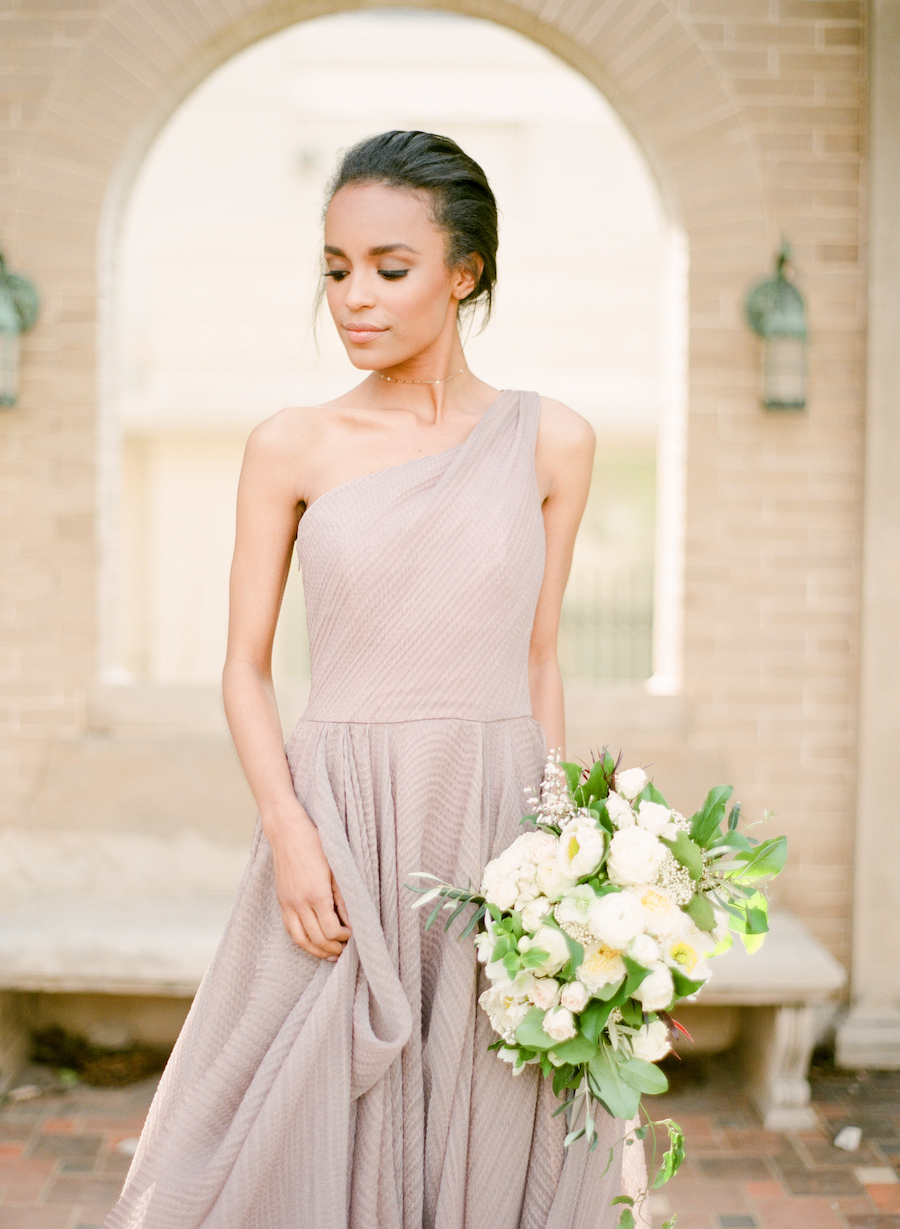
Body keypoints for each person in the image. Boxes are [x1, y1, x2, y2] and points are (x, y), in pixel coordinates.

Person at [105, 130, 647, 1229]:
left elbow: (539, 650)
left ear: (466, 272)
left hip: (494, 819)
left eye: (389, 269)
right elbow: (243, 668)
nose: (355, 298)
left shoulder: (555, 442)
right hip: (343, 816)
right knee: (273, 1119)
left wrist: (560, 846)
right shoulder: (292, 444)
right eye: (337, 268)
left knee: (497, 1104)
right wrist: (292, 831)